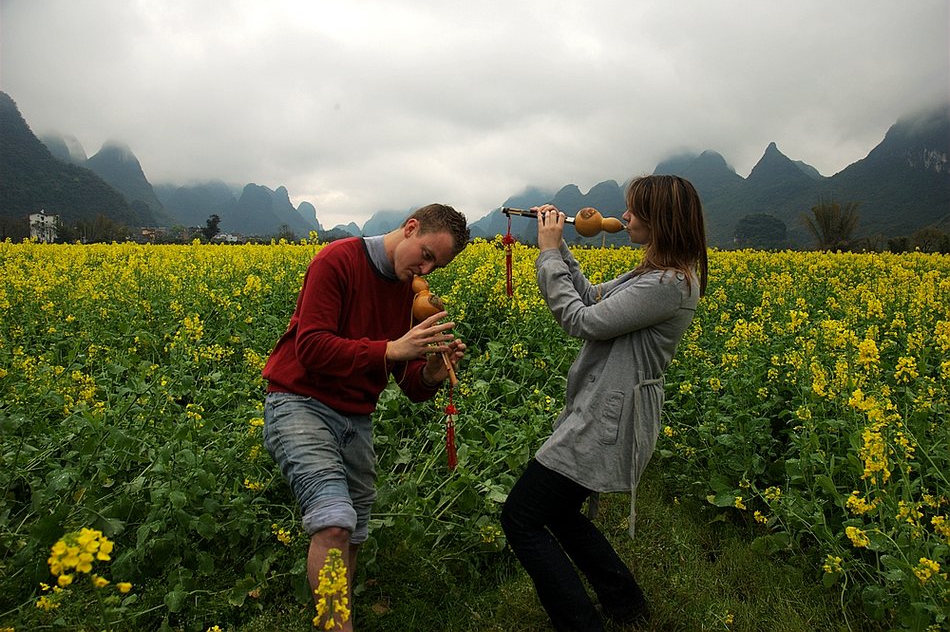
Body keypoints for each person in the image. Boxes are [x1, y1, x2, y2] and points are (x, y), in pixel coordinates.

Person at [500, 175, 709, 631]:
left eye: (635, 210)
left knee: (522, 516)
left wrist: (550, 253)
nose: (626, 216)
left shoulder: (667, 285)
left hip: (608, 416)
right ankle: (625, 602)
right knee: (557, 510)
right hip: (603, 407)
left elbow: (580, 319)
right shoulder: (652, 275)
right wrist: (562, 248)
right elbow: (593, 296)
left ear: (663, 221)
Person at [262, 203, 469, 630]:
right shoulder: (337, 260)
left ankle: (336, 621)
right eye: (426, 255)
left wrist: (429, 370)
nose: (425, 270)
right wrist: (392, 348)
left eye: (437, 265)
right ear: (410, 228)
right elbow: (312, 347)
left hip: (355, 417)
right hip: (299, 400)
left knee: (352, 534)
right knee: (334, 523)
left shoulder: (406, 291)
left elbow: (409, 386)